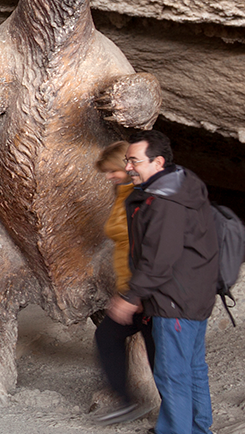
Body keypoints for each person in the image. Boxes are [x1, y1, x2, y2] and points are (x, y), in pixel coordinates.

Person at [108, 130, 221, 434]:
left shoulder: (164, 201)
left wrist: (131, 296)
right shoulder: (181, 185)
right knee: (192, 368)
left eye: (134, 160)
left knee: (173, 374)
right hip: (194, 295)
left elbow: (159, 259)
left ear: (157, 162)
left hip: (175, 299)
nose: (129, 166)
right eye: (127, 160)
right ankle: (198, 428)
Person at [91, 141, 155, 425]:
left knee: (160, 358)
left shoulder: (138, 196)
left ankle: (185, 422)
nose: (108, 177)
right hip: (133, 289)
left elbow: (147, 248)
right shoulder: (123, 194)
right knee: (108, 337)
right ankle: (128, 401)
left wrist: (133, 294)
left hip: (145, 293)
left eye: (110, 171)